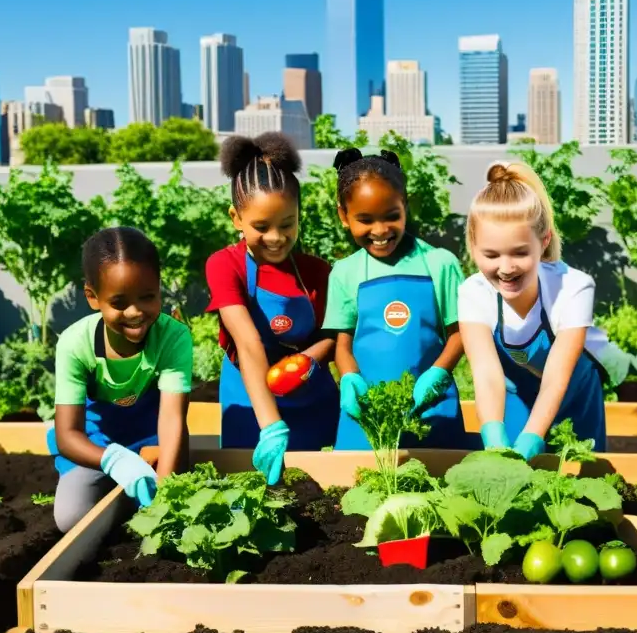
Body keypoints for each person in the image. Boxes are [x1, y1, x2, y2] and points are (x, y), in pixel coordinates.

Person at [205, 133, 338, 483]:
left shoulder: (317, 271)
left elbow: (334, 334)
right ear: (236, 218)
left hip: (311, 398)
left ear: (298, 215)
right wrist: (271, 425)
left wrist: (310, 359)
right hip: (249, 402)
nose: (276, 237)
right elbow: (248, 344)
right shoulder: (225, 265)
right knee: (250, 491)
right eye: (260, 227)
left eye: (287, 224)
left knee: (320, 495)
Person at [458, 161, 608, 459]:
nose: (506, 268)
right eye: (491, 254)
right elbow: (487, 374)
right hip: (516, 398)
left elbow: (556, 378)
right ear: (473, 247)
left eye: (520, 253)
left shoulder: (573, 287)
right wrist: (492, 430)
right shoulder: (473, 293)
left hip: (573, 400)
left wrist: (533, 436)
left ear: (544, 242)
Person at [48, 226, 192, 533]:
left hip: (153, 437)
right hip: (96, 443)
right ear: (92, 297)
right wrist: (114, 460)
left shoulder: (173, 337)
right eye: (119, 302)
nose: (135, 312)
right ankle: (121, 497)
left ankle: (133, 503)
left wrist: (164, 497)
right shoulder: (76, 344)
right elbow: (67, 435)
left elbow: (172, 420)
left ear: (159, 287)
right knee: (71, 518)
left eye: (147, 297)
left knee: (172, 500)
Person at [324, 148, 467, 450]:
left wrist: (439, 373)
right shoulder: (344, 273)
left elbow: (460, 334)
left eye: (392, 216)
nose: (380, 230)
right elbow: (343, 344)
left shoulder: (440, 263)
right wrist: (350, 378)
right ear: (343, 216)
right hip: (369, 415)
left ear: (405, 206)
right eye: (365, 220)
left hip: (432, 409)